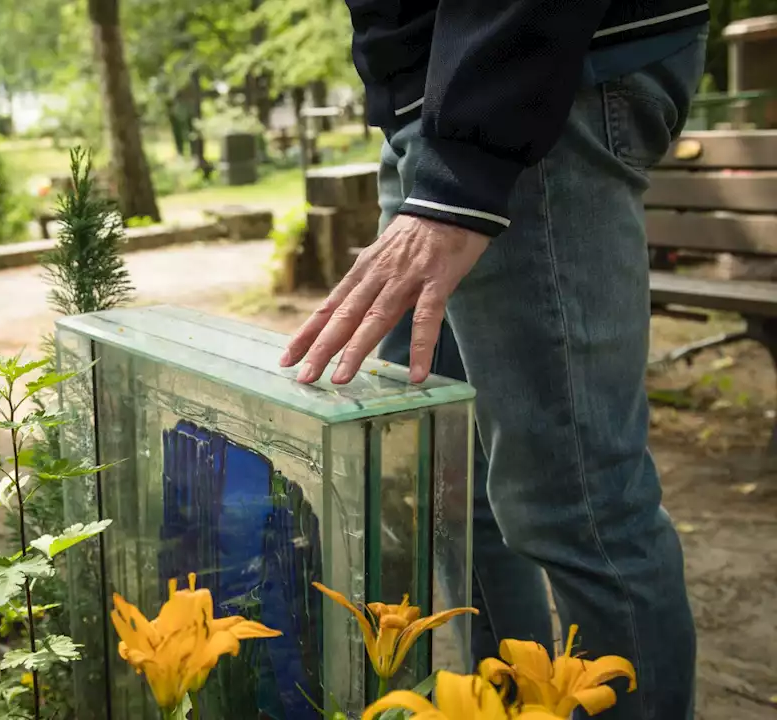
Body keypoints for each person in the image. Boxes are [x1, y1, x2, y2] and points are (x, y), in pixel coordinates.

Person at [281, 2, 709, 718]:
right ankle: (507, 705)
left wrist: (465, 176)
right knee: (448, 481)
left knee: (576, 503)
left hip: (530, 84)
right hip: (442, 108)